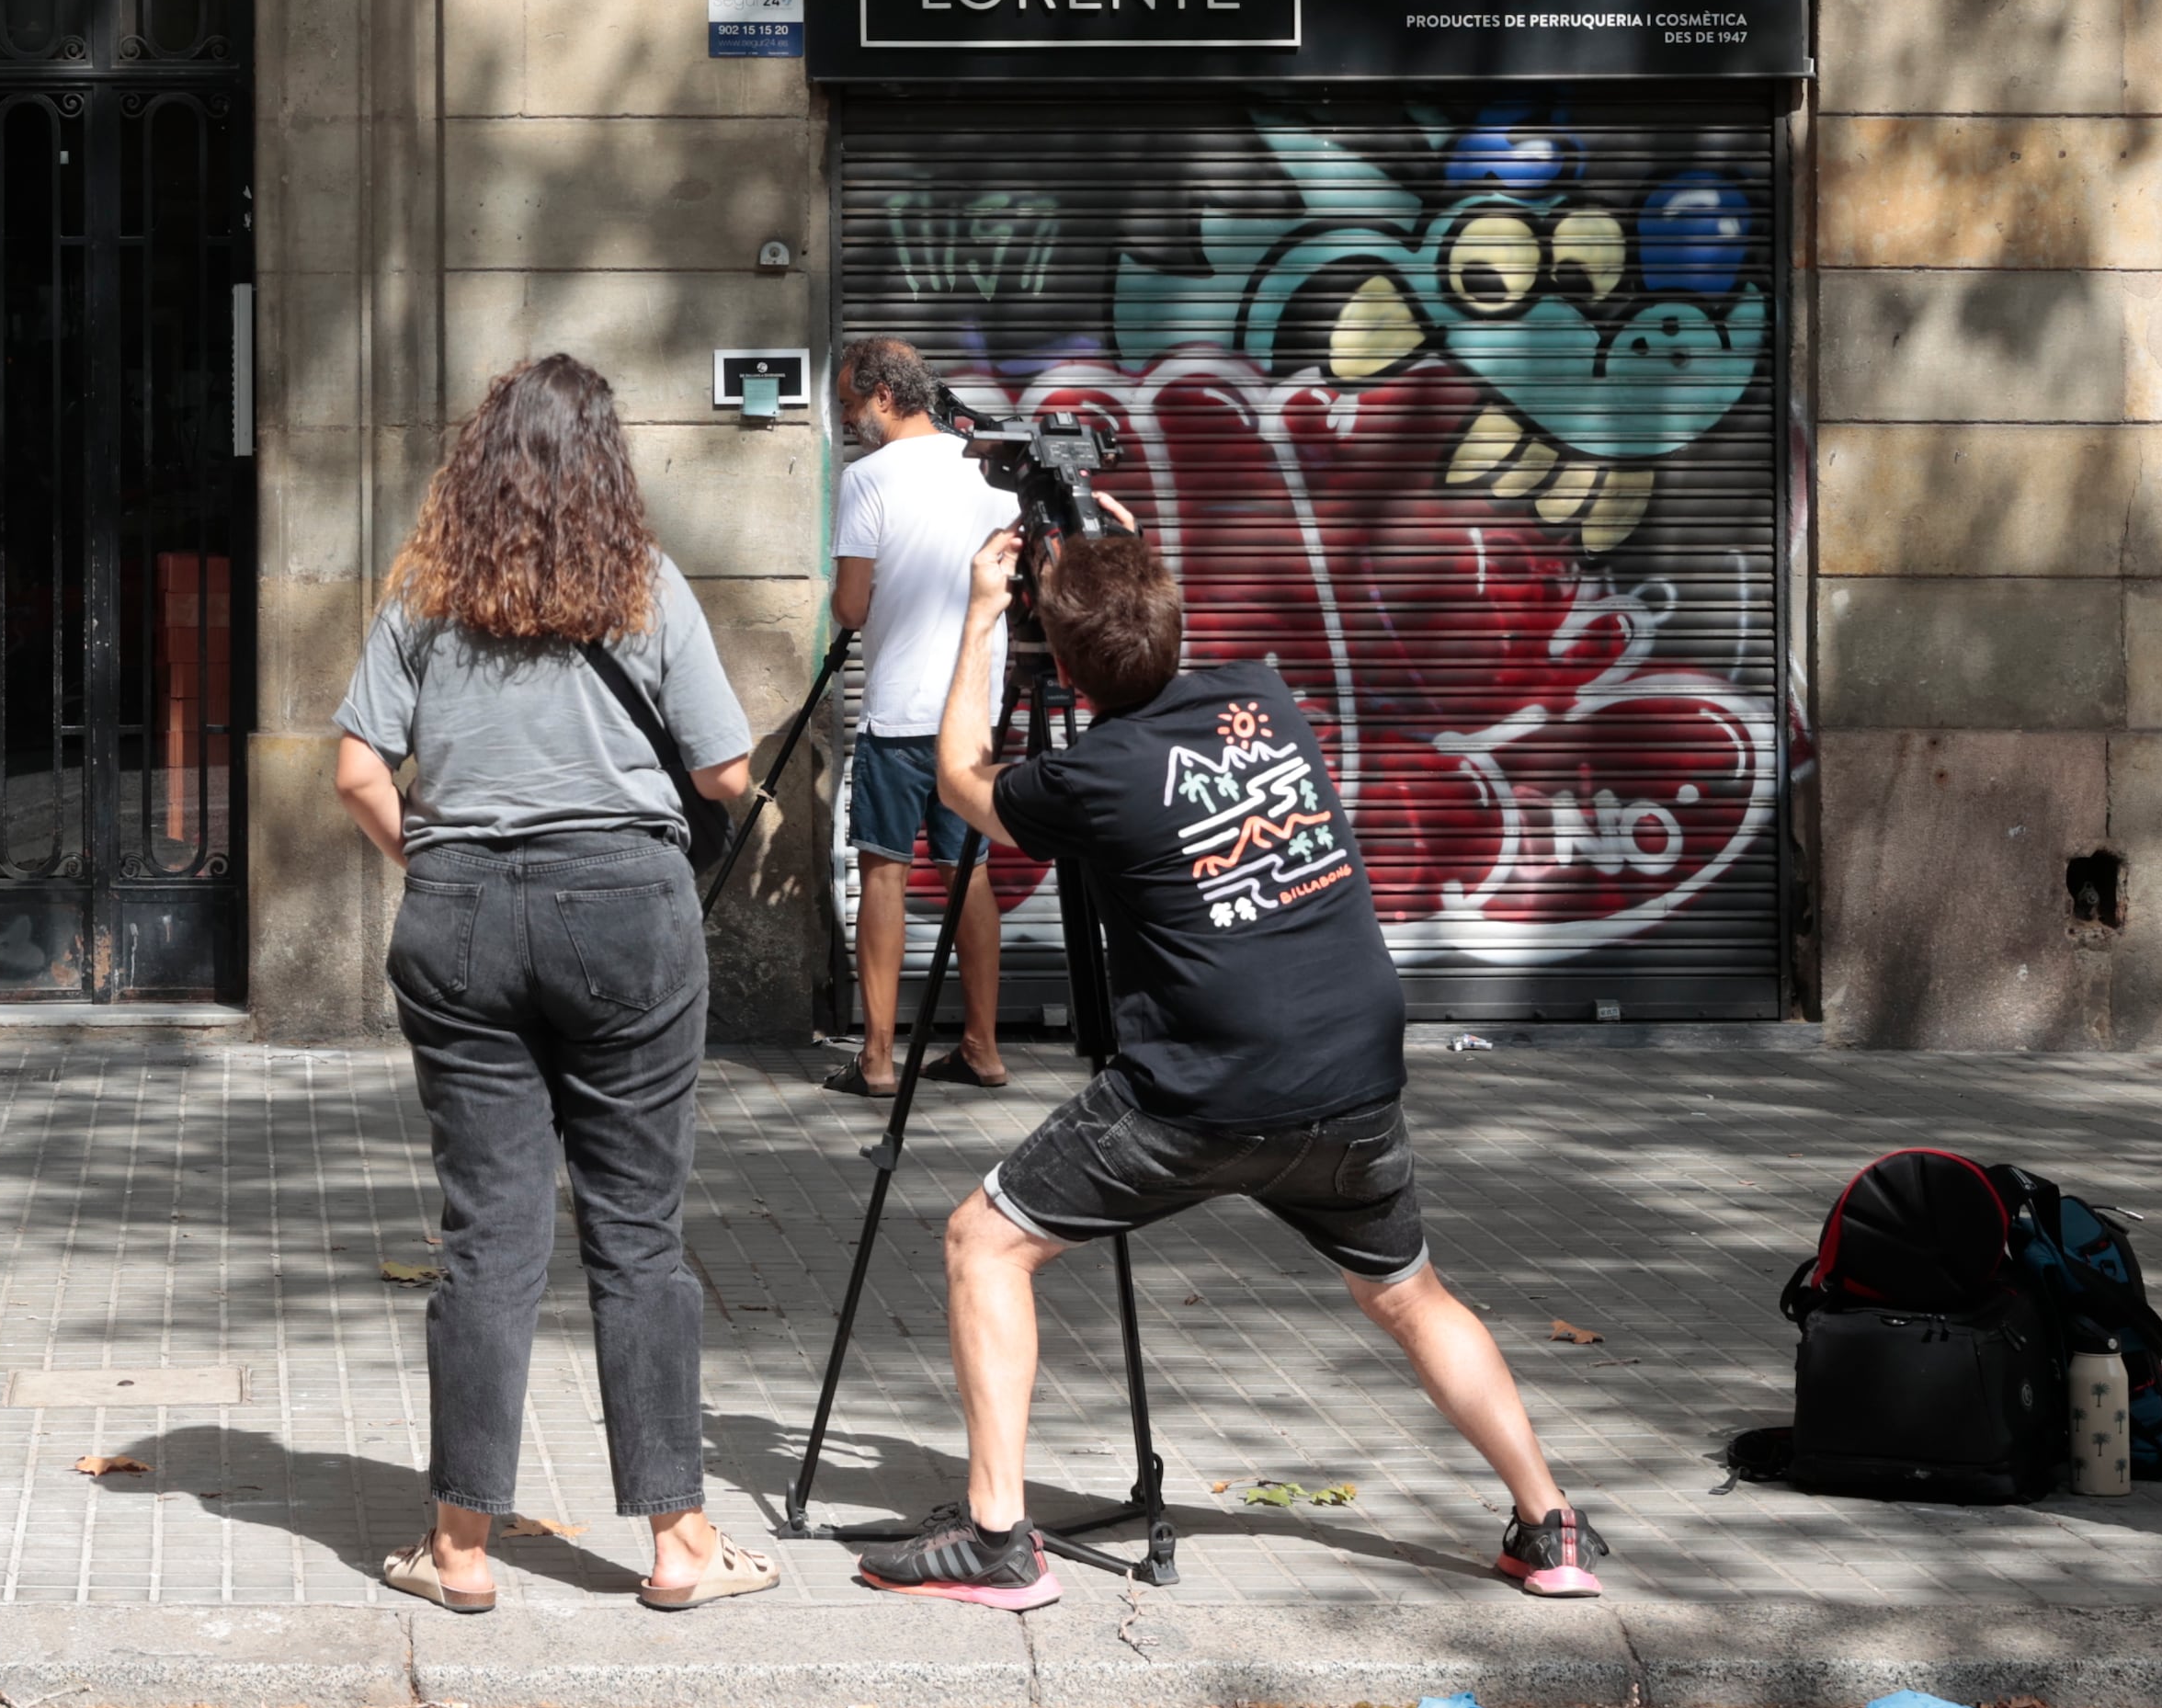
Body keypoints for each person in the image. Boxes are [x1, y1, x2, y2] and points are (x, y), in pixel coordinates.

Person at [853, 521, 1603, 1611]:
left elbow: (963, 782)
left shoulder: (1091, 772)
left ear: (1058, 668)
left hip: (1199, 1093)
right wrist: (1111, 540)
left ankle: (997, 1539)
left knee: (983, 1243)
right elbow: (1135, 620)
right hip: (1351, 1071)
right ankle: (1550, 1528)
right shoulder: (1265, 699)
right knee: (1407, 1293)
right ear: (1175, 620)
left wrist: (977, 614)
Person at [330, 354, 778, 1615]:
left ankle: (460, 1547)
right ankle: (680, 1542)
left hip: (461, 912)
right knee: (638, 1233)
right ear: (608, 467)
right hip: (626, 913)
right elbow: (728, 768)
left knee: (491, 1235)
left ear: (478, 464)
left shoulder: (428, 594)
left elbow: (360, 772)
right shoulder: (646, 583)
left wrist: (445, 864)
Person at [828, 336, 1017, 1094]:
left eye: (847, 402)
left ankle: (877, 1057)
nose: (846, 419)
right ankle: (983, 1047)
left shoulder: (866, 477)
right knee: (969, 871)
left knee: (884, 872)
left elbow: (850, 605)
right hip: (974, 710)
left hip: (901, 709)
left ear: (881, 395)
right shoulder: (991, 467)